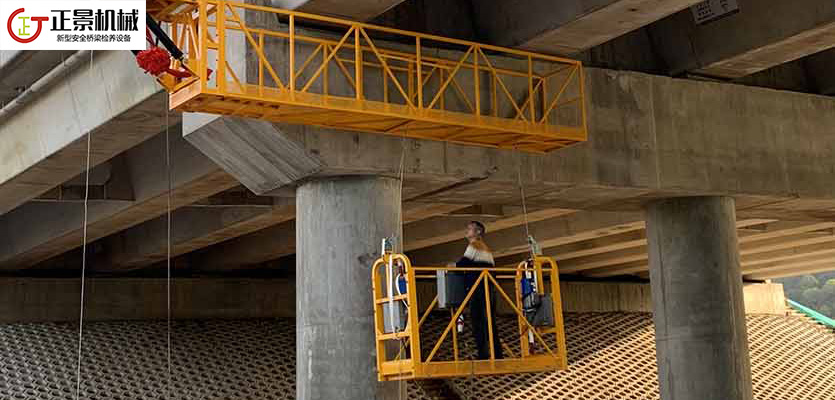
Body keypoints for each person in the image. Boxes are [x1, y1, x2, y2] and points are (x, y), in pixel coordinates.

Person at [455, 221, 503, 360]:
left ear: (478, 232)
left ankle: (483, 354)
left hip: (478, 289)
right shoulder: (485, 248)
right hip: (488, 288)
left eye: (469, 229)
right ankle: (497, 353)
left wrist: (452, 265)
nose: (467, 231)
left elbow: (464, 263)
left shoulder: (475, 245)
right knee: (489, 322)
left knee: (478, 322)